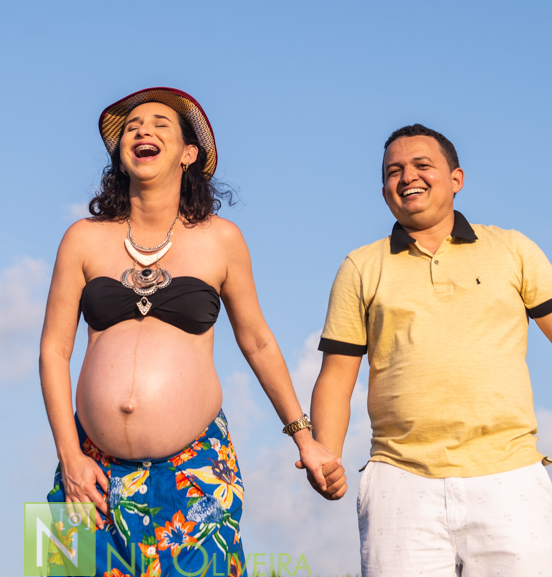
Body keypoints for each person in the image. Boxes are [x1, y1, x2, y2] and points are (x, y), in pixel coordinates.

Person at [306, 124, 552, 577]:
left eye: (421, 165)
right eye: (394, 171)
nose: (407, 176)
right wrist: (327, 455)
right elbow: (337, 376)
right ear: (383, 192)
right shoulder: (361, 266)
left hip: (510, 477)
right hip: (399, 482)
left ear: (456, 179)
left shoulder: (513, 249)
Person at [40, 87, 335, 577]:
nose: (142, 130)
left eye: (160, 124)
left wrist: (305, 439)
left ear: (188, 153)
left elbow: (258, 342)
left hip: (197, 472)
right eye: (132, 127)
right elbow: (53, 351)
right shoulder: (81, 238)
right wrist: (68, 457)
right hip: (86, 470)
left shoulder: (222, 239)